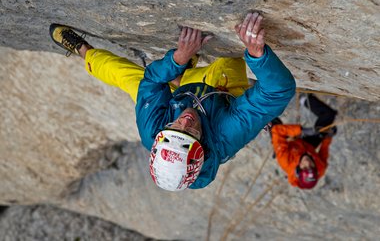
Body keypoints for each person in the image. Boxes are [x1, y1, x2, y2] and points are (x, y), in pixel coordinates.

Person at [49, 12, 296, 191]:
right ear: (203, 147)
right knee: (229, 60)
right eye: (190, 133)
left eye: (175, 128)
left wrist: (177, 59)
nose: (185, 122)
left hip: (178, 96)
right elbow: (278, 92)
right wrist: (257, 55)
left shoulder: (151, 132)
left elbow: (149, 83)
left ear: (160, 137)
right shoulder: (226, 135)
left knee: (124, 76)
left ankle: (84, 51)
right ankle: (183, 75)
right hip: (219, 93)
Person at [270, 93, 338, 189]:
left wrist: (302, 130)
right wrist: (328, 136)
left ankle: (256, 96)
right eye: (311, 167)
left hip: (289, 146)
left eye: (305, 167)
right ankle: (305, 99)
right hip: (307, 146)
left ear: (298, 169)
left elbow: (277, 130)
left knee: (270, 121)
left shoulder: (286, 161)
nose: (308, 163)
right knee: (329, 116)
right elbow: (324, 150)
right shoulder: (321, 168)